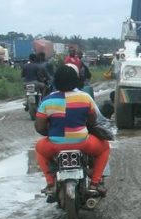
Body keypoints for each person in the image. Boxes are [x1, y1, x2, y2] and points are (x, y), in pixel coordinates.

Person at [34, 64, 111, 196]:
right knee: (104, 147)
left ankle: (50, 183)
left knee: (39, 149)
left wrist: (52, 133)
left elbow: (40, 127)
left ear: (56, 81)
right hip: (82, 143)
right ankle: (95, 183)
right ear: (76, 80)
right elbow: (92, 121)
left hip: (54, 145)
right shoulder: (85, 98)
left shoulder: (47, 101)